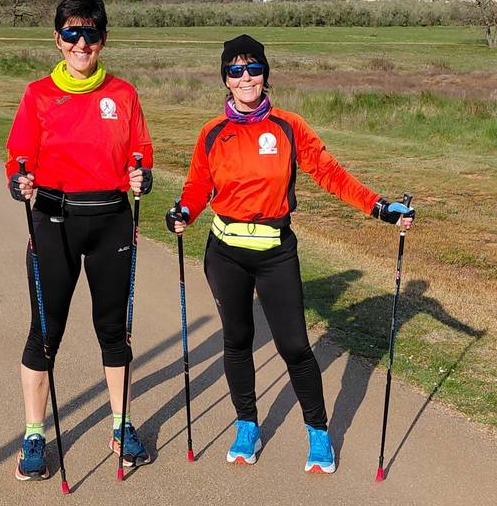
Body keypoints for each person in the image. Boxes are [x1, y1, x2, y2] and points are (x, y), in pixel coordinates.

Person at [166, 34, 415, 474]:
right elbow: (198, 185)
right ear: (225, 78)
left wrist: (380, 207)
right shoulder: (212, 132)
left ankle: (317, 431)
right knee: (237, 340)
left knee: (295, 346)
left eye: (254, 68)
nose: (246, 78)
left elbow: (331, 173)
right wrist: (183, 211)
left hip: (275, 253)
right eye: (236, 70)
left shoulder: (288, 126)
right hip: (225, 253)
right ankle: (247, 424)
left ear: (265, 74)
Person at [5, 0, 154, 481]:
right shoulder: (38, 94)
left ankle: (121, 424)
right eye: (72, 33)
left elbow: (140, 150)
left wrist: (141, 174)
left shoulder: (123, 94)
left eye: (90, 33)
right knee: (46, 332)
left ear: (103, 39)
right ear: (57, 38)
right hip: (54, 220)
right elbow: (18, 156)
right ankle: (34, 434)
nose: (81, 43)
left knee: (114, 331)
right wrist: (18, 180)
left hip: (111, 220)